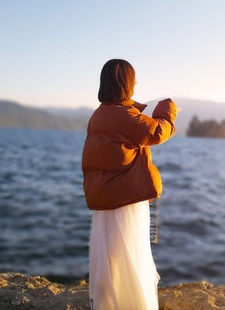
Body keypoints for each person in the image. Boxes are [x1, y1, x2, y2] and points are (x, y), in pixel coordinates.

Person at [82, 59, 177, 309]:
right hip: (126, 197)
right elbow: (157, 132)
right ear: (126, 83)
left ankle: (109, 301)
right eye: (133, 79)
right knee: (131, 251)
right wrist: (167, 110)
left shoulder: (99, 114)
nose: (135, 83)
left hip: (105, 197)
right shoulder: (125, 115)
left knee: (111, 254)